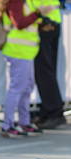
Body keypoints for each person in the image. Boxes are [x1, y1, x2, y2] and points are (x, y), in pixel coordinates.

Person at [0, 0, 56, 137]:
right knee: (17, 88)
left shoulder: (25, 1)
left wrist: (42, 24)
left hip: (26, 52)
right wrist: (38, 13)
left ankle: (24, 123)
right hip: (18, 51)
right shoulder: (16, 1)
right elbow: (19, 23)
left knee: (26, 87)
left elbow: (25, 23)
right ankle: (8, 125)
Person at [33, 0, 66, 129]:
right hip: (50, 21)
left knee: (44, 72)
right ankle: (48, 110)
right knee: (47, 71)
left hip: (44, 22)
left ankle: (54, 112)